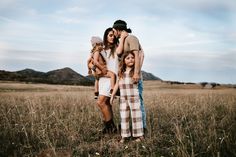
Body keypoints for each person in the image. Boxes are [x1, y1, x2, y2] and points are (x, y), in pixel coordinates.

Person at [112, 19, 147, 132]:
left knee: (138, 103)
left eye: (114, 30)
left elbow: (138, 55)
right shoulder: (123, 40)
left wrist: (136, 73)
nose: (114, 33)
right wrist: (122, 38)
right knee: (127, 104)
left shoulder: (132, 38)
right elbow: (118, 53)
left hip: (134, 76)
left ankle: (143, 128)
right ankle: (131, 128)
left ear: (117, 30)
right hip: (125, 78)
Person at [110, 51, 144, 143]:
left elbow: (141, 56)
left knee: (136, 116)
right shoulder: (121, 72)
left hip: (134, 98)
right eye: (128, 58)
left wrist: (139, 50)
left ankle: (139, 136)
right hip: (123, 99)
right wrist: (112, 95)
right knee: (124, 117)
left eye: (132, 57)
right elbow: (117, 84)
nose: (131, 59)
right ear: (124, 61)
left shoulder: (136, 71)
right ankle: (124, 136)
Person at [96, 28, 120, 134]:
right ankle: (108, 127)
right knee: (106, 103)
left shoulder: (117, 48)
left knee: (100, 102)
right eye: (110, 35)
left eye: (114, 35)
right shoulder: (102, 49)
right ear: (106, 36)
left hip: (111, 78)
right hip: (103, 78)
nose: (112, 37)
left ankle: (111, 127)